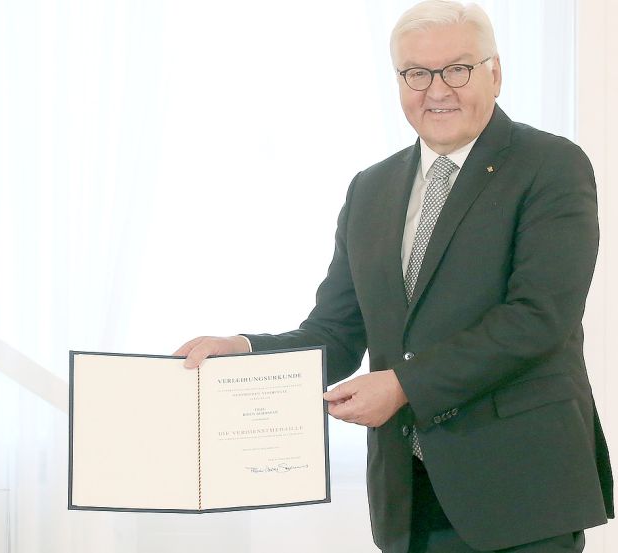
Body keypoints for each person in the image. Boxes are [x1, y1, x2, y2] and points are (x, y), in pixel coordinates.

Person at [175, 2, 613, 551]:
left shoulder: (551, 165)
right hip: (408, 500)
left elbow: (538, 319)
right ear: (399, 81)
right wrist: (242, 352)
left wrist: (403, 385)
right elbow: (335, 334)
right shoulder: (370, 190)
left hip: (521, 491)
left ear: (494, 72)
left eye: (457, 69)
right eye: (416, 73)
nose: (437, 90)